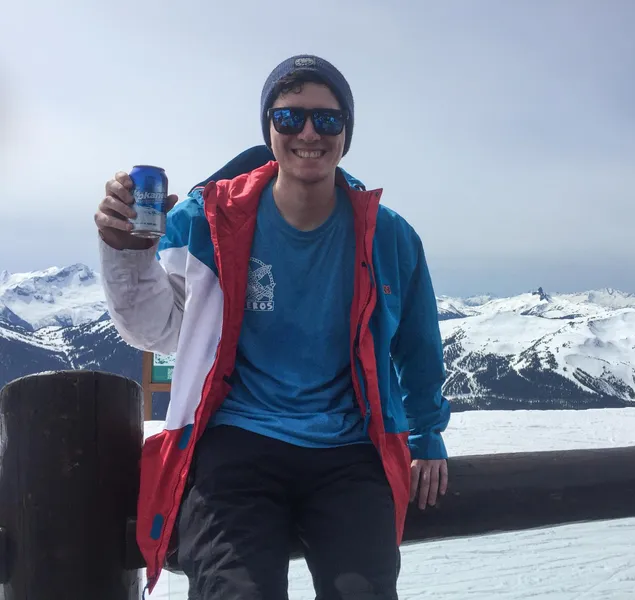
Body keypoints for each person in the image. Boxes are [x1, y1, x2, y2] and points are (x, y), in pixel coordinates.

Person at [94, 54, 451, 599]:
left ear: (346, 134)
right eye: (289, 118)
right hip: (236, 443)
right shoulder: (207, 220)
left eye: (327, 120)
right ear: (268, 128)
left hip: (348, 450)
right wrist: (127, 255)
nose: (309, 132)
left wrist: (428, 434)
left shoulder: (388, 236)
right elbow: (157, 329)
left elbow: (418, 345)